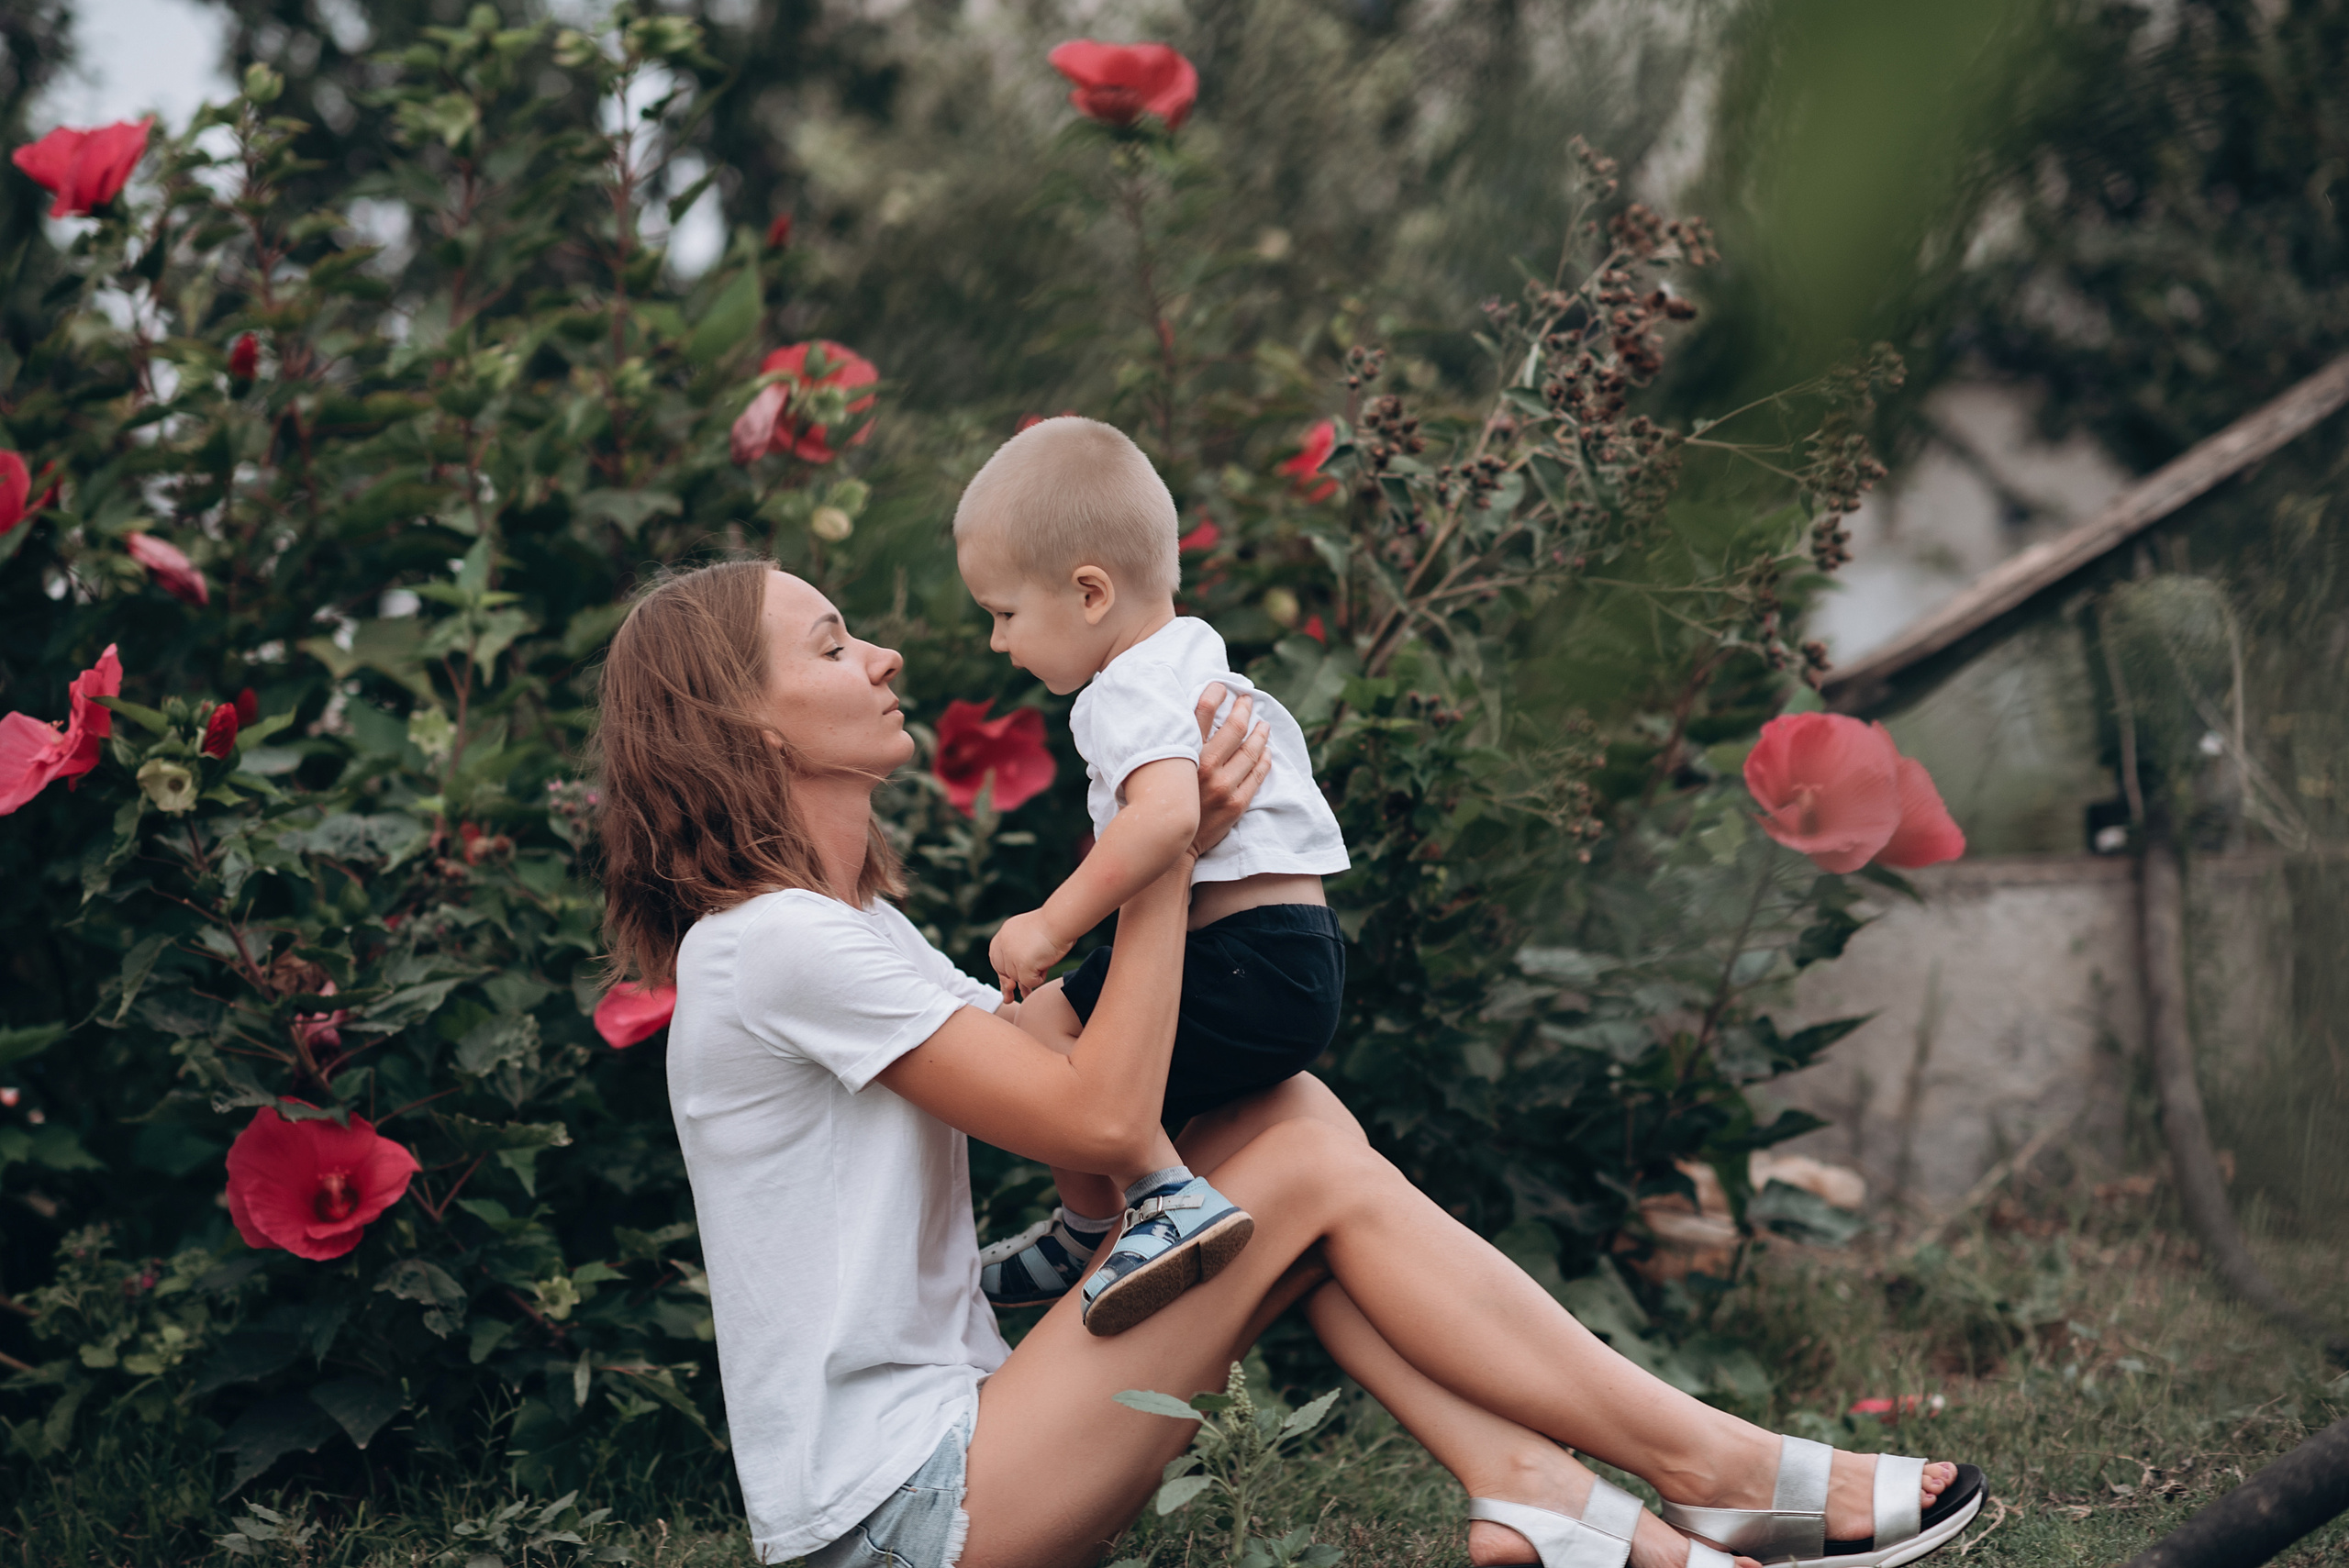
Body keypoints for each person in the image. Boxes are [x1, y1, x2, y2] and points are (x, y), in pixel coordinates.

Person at [595, 560, 1984, 1568]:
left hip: (965, 1452)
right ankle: (1710, 1469)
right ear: (749, 723)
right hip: (898, 1521)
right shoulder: (771, 946)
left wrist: (1159, 843)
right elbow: (1104, 1110)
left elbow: (1090, 1149)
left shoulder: (855, 933)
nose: (885, 657)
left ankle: (1541, 1495)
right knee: (1303, 1151)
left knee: (1286, 1123)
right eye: (834, 647)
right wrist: (1160, 853)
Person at [952, 416, 1351, 1336]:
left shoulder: (1123, 688)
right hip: (1284, 956)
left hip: (1245, 958)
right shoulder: (1185, 652)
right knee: (1055, 1027)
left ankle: (1150, 1198)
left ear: (1089, 591)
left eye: (1004, 613)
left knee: (1034, 1027)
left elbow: (1169, 819)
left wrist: (1050, 925)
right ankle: (1096, 1218)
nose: (997, 643)